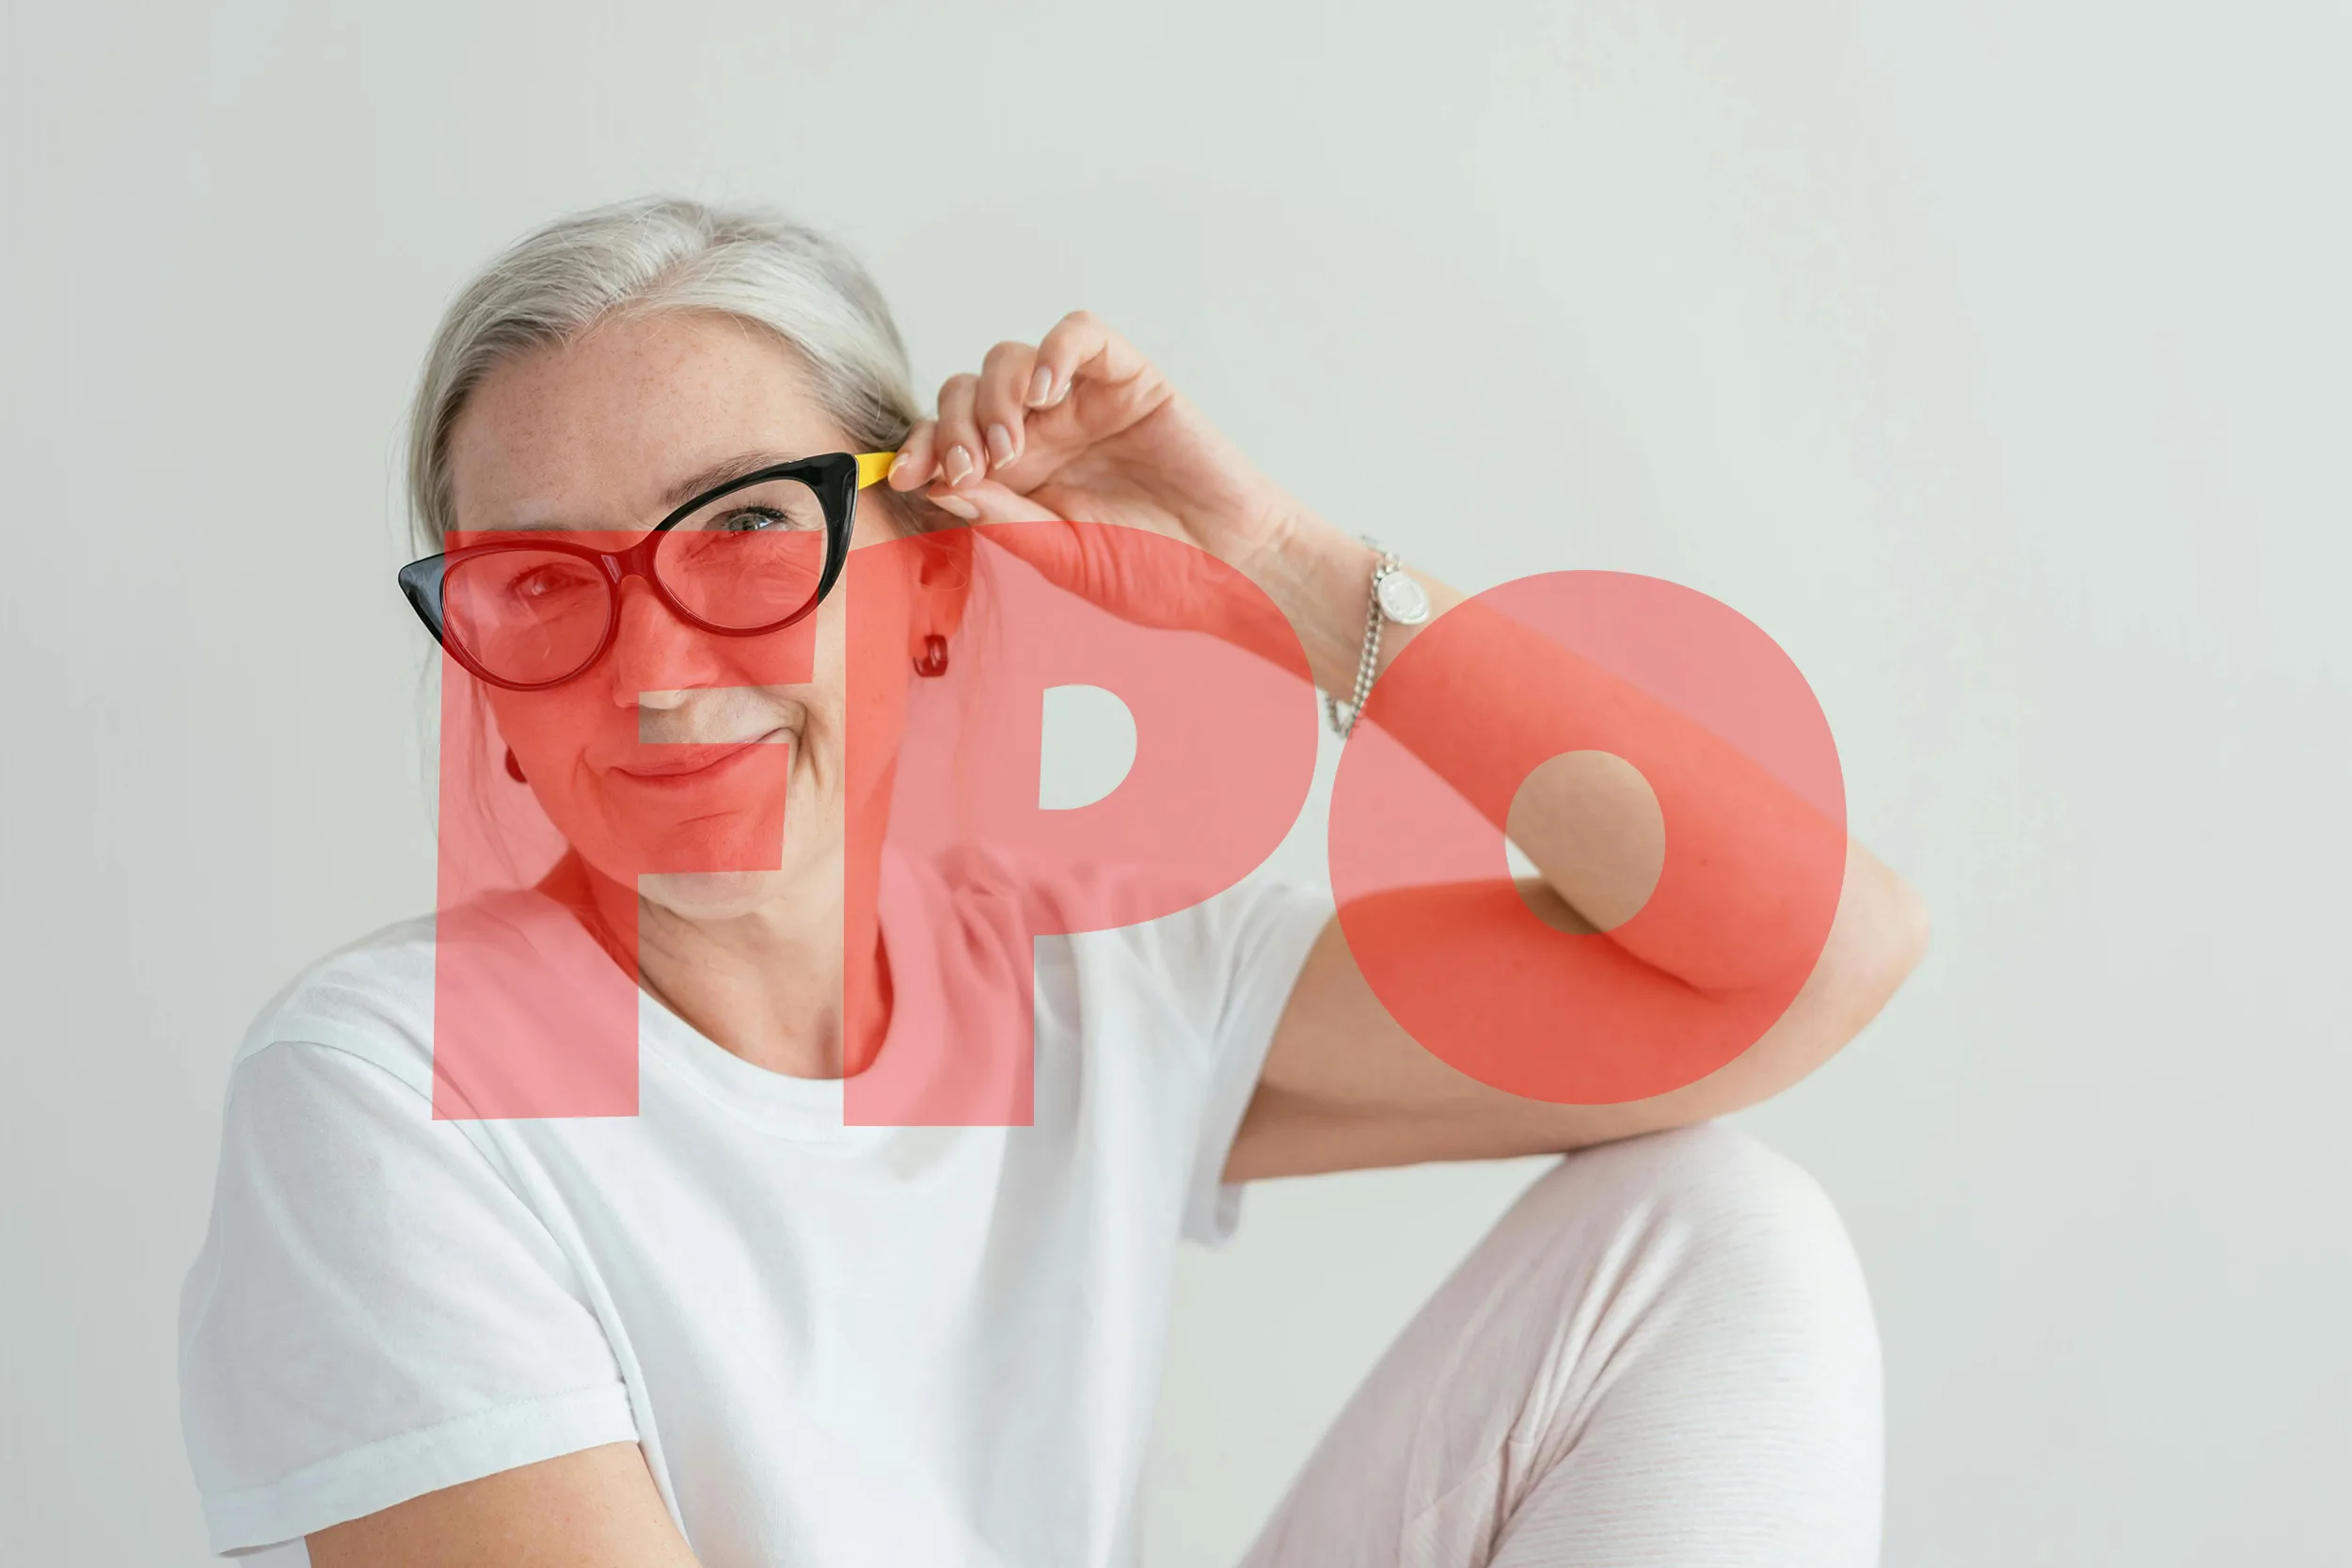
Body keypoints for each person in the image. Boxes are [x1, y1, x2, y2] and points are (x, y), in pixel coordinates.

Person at [177, 197, 1929, 1568]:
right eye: (542, 582)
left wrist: (1279, 565)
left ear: (928, 592)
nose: (650, 663)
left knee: (1721, 1234)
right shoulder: (390, 1094)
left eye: (750, 530)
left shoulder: (1091, 984)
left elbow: (1802, 958)